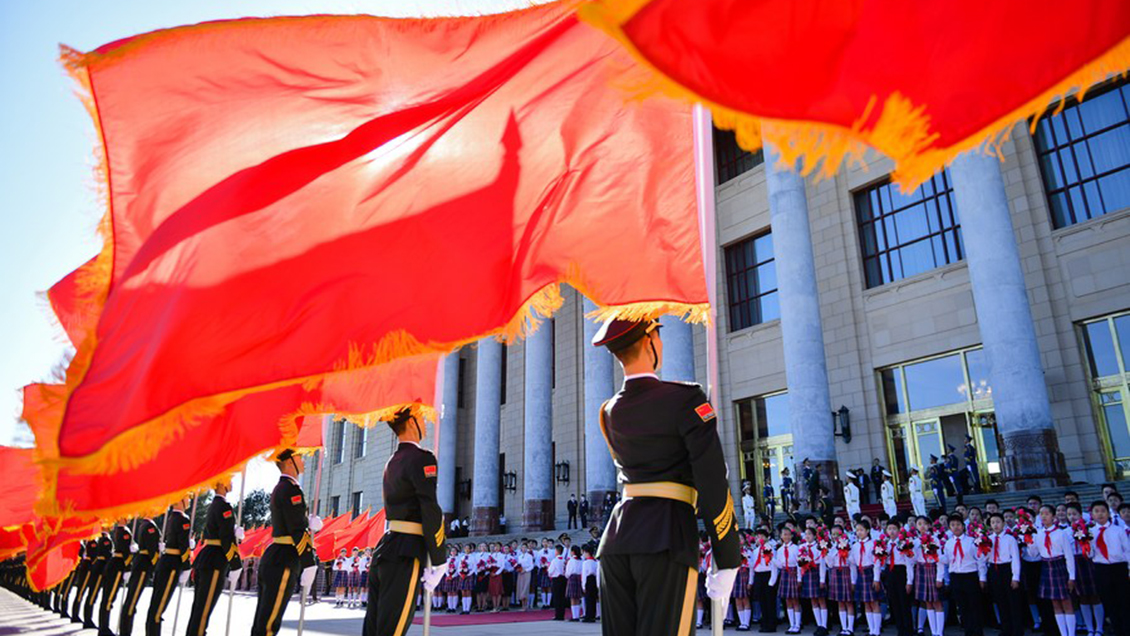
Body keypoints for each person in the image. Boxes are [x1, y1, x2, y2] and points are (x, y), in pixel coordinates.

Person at [590, 317, 741, 636]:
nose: (661, 341)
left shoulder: (609, 411)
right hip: (666, 535)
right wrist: (727, 556)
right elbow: (712, 478)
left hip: (616, 539)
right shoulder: (686, 399)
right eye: (658, 335)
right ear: (649, 343)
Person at [364, 408, 447, 636]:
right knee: (393, 629)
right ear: (412, 422)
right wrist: (440, 558)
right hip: (406, 551)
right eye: (421, 417)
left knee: (375, 628)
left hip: (387, 546)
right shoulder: (422, 458)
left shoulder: (392, 461)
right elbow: (430, 508)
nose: (426, 422)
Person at [251, 449, 320, 636]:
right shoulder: (291, 489)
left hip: (276, 554)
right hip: (285, 558)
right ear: (290, 462)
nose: (303, 459)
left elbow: (293, 521)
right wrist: (309, 562)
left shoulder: (281, 487)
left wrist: (306, 521)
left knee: (262, 620)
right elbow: (296, 528)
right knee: (269, 624)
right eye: (299, 456)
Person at [185, 477, 243, 636]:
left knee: (198, 609)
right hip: (215, 561)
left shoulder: (213, 505)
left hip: (206, 557)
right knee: (203, 612)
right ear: (223, 483)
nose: (232, 482)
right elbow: (226, 538)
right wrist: (236, 563)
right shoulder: (224, 506)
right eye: (230, 479)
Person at [146, 495, 192, 636]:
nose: (189, 500)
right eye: (187, 497)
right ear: (180, 501)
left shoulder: (171, 517)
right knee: (159, 607)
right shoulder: (183, 519)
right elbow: (183, 545)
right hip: (173, 563)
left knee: (156, 604)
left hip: (165, 561)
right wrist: (186, 566)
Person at [1027, 504, 1076, 636]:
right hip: (1046, 566)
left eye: (1047, 514)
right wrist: (1029, 541)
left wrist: (1072, 576)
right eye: (1041, 514)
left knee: (1066, 601)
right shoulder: (1038, 533)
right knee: (1055, 603)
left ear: (1053, 517)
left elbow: (1069, 556)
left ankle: (1071, 633)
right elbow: (1033, 554)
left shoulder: (1061, 533)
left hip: (1059, 565)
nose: (1043, 516)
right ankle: (1063, 633)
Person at [938, 512, 985, 636]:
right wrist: (934, 555)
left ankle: (978, 632)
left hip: (970, 575)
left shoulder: (971, 541)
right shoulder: (948, 543)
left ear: (963, 526)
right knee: (963, 607)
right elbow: (947, 560)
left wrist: (982, 577)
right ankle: (968, 631)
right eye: (952, 525)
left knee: (974, 606)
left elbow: (980, 560)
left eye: (958, 524)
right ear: (949, 527)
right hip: (956, 577)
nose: (956, 527)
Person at [1089, 500, 1129, 636]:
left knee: (1124, 600)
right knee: (1108, 601)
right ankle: (1116, 629)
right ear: (1092, 514)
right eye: (1096, 511)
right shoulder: (1090, 532)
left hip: (1119, 568)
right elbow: (1090, 554)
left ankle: (1127, 628)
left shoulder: (1118, 530)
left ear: (1108, 513)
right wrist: (1085, 543)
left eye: (1103, 511)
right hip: (1101, 569)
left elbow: (1127, 550)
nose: (1100, 514)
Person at [983, 512, 1024, 636]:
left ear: (1003, 524)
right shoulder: (988, 539)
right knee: (1000, 601)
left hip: (1007, 569)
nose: (995, 525)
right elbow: (984, 558)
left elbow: (1015, 559)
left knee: (1013, 602)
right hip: (994, 570)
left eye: (998, 522)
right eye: (993, 523)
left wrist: (1015, 577)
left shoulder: (1009, 538)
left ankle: (1017, 630)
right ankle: (1006, 630)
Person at [118, 516, 159, 636]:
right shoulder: (149, 526)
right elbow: (152, 549)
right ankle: (125, 631)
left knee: (131, 598)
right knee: (132, 600)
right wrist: (156, 563)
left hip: (140, 562)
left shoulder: (143, 524)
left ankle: (125, 630)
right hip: (144, 564)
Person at [96, 520, 132, 636]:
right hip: (118, 565)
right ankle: (104, 629)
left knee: (107, 597)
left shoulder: (118, 531)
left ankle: (103, 627)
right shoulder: (124, 531)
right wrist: (128, 567)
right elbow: (125, 552)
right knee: (109, 598)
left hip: (113, 564)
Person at [881, 518, 914, 636]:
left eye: (894, 529)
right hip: (890, 572)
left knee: (904, 602)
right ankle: (900, 629)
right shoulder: (885, 544)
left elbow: (909, 564)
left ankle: (908, 630)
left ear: (899, 530)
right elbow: (882, 562)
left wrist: (909, 581)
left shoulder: (904, 543)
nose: (892, 531)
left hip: (902, 572)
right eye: (889, 529)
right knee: (894, 602)